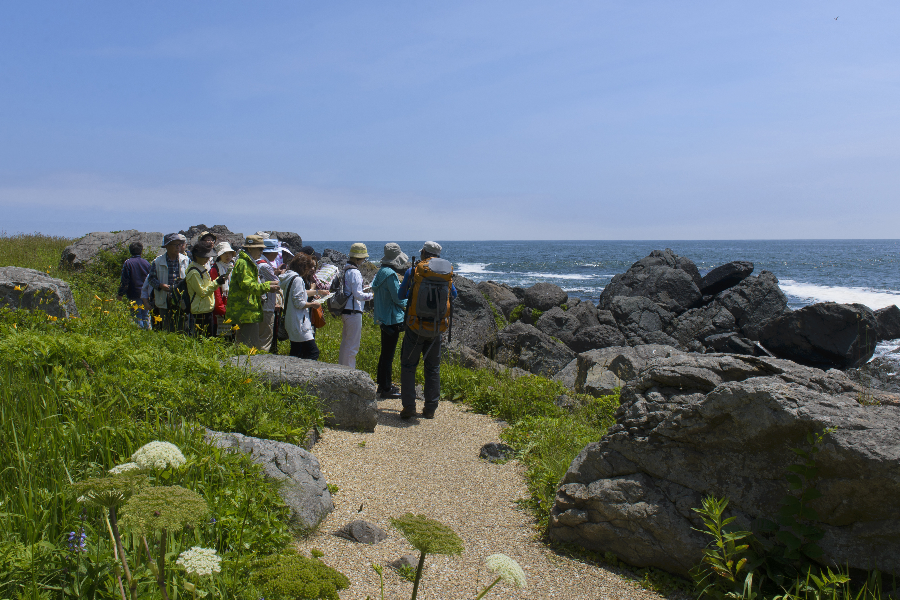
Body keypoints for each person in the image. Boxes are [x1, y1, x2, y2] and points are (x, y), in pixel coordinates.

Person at [398, 241, 457, 420]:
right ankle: (430, 408)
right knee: (433, 368)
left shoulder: (414, 271)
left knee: (408, 366)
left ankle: (409, 407)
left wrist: (414, 293)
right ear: (437, 256)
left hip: (415, 326)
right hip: (437, 328)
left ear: (423, 253)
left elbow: (401, 295)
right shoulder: (446, 274)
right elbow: (453, 295)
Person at [225, 235, 280, 350]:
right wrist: (267, 286)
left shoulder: (247, 262)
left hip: (248, 311)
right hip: (246, 311)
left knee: (245, 344)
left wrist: (266, 285)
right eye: (259, 249)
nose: (262, 251)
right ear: (250, 249)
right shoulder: (244, 263)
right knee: (249, 346)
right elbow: (247, 285)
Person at [372, 243, 409, 398]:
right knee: (389, 355)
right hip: (392, 319)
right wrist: (411, 304)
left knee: (384, 353)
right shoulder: (391, 275)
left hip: (382, 317)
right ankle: (386, 388)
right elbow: (398, 298)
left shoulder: (381, 272)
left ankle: (382, 384)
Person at [280, 253, 328, 360]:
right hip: (299, 322)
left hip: (291, 320)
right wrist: (313, 304)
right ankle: (307, 375)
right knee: (313, 352)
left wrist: (317, 292)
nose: (311, 269)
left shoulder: (289, 277)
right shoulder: (298, 279)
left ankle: (290, 373)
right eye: (308, 266)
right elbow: (299, 303)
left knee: (296, 351)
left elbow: (298, 294)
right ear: (302, 266)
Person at [338, 243, 374, 368]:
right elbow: (358, 295)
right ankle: (349, 373)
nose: (364, 260)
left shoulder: (345, 269)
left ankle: (341, 368)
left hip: (345, 310)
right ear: (358, 258)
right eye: (363, 258)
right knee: (353, 346)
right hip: (354, 311)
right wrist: (372, 295)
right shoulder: (355, 272)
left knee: (345, 343)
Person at [147, 233, 190, 332]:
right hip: (164, 298)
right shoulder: (157, 261)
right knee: (166, 327)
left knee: (183, 327)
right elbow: (151, 279)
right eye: (175, 245)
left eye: (179, 245)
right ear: (167, 246)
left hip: (181, 298)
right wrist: (160, 285)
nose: (178, 247)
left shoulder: (186, 260)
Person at [185, 245, 227, 337]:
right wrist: (216, 282)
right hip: (199, 311)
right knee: (202, 340)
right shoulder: (194, 272)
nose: (207, 259)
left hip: (206, 309)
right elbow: (202, 292)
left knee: (208, 339)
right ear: (196, 256)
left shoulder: (201, 267)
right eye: (205, 257)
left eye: (208, 257)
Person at [117, 241, 152, 329]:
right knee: (146, 315)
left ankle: (139, 335)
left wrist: (120, 294)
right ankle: (148, 334)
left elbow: (125, 280)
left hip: (133, 293)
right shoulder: (146, 263)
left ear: (130, 251)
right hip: (146, 293)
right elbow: (151, 279)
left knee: (136, 315)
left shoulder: (128, 263)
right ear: (141, 251)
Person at [257, 239, 282, 353]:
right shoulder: (265, 266)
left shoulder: (256, 262)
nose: (277, 255)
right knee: (265, 337)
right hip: (266, 305)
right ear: (272, 252)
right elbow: (277, 283)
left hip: (258, 303)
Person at [210, 242, 235, 336]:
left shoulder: (232, 267)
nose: (228, 256)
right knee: (222, 333)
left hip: (231, 303)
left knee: (232, 333)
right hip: (221, 305)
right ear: (219, 255)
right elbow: (216, 291)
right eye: (225, 253)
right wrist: (221, 308)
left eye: (229, 253)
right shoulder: (214, 269)